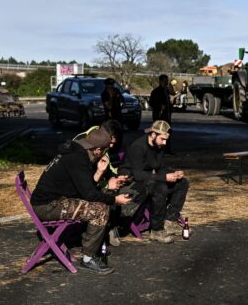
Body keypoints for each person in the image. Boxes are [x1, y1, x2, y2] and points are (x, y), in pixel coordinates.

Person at [30, 127, 132, 274]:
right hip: (48, 206)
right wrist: (115, 199)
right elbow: (89, 194)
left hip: (52, 200)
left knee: (99, 203)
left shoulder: (76, 150)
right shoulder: (78, 159)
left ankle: (89, 245)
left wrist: (99, 172)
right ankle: (88, 259)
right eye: (105, 150)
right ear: (97, 149)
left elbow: (83, 189)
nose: (105, 153)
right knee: (100, 210)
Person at [120, 120, 189, 244]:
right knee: (160, 188)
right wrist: (164, 177)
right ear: (153, 134)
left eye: (166, 139)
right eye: (162, 139)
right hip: (134, 182)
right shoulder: (138, 146)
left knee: (182, 183)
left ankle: (170, 221)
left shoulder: (159, 145)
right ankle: (156, 230)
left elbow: (160, 168)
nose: (165, 142)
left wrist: (173, 174)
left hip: (150, 178)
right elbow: (138, 174)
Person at [149, 74, 175, 154]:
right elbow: (151, 103)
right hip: (159, 116)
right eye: (164, 81)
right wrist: (159, 106)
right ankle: (157, 150)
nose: (166, 83)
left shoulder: (166, 91)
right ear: (160, 81)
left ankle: (167, 149)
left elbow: (170, 99)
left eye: (167, 81)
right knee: (158, 133)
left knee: (167, 132)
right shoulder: (156, 91)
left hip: (167, 116)